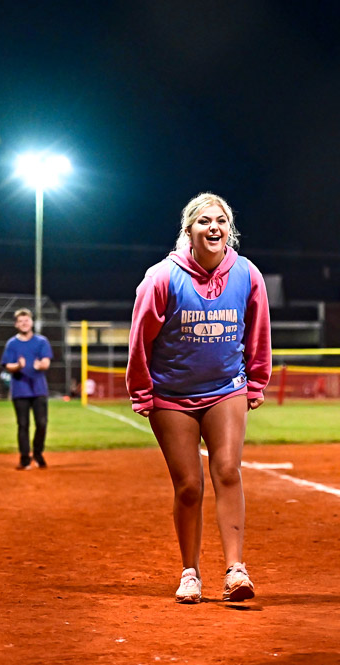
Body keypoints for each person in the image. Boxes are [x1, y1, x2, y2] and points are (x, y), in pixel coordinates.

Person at [127, 192, 271, 604]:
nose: (214, 227)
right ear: (188, 230)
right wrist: (141, 391)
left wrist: (256, 382)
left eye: (222, 221)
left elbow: (258, 332)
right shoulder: (161, 277)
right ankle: (190, 572)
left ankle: (235, 570)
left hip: (226, 387)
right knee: (189, 484)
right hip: (172, 393)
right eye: (205, 221)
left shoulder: (247, 273)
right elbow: (140, 340)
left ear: (230, 230)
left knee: (227, 470)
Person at [0, 308, 53, 470]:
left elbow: (46, 362)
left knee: (42, 424)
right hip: (20, 390)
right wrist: (18, 366)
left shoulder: (41, 341)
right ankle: (24, 458)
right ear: (16, 324)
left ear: (32, 322)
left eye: (27, 320)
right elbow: (8, 365)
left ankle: (37, 454)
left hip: (38, 389)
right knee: (23, 425)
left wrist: (40, 365)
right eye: (21, 321)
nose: (24, 323)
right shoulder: (12, 344)